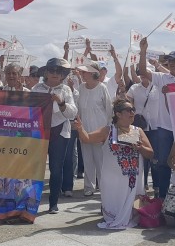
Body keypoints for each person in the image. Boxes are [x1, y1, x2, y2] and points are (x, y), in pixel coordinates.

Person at [74, 99, 153, 229]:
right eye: (128, 110)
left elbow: (150, 153)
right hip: (112, 180)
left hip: (133, 179)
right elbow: (86, 139)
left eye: (133, 109)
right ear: (118, 114)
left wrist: (140, 148)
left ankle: (132, 214)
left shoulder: (138, 131)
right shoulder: (108, 130)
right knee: (112, 214)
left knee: (134, 214)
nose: (132, 112)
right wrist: (80, 128)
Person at [137, 38, 175, 198]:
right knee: (162, 164)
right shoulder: (162, 77)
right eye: (169, 60)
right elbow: (143, 71)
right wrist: (143, 51)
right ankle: (164, 197)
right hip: (164, 128)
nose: (172, 63)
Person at [32, 58, 77, 214]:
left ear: (63, 75)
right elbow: (27, 109)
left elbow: (73, 114)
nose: (55, 74)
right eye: (52, 71)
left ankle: (53, 202)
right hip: (39, 132)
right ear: (46, 72)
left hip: (60, 132)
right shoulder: (37, 88)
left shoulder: (66, 90)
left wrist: (62, 103)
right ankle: (32, 201)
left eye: (59, 71)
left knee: (56, 168)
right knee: (35, 168)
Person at [75, 61, 112, 197]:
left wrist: (107, 130)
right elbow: (78, 109)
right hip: (84, 129)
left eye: (85, 72)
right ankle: (89, 186)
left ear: (92, 73)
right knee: (87, 159)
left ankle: (104, 188)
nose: (83, 74)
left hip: (99, 130)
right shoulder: (81, 87)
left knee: (100, 160)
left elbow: (109, 110)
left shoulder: (102, 87)